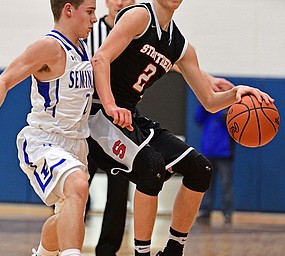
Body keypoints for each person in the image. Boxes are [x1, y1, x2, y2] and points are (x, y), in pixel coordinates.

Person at [88, 1, 274, 256]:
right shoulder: (140, 16)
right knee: (150, 167)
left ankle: (174, 249)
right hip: (98, 113)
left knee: (200, 169)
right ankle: (142, 253)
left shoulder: (180, 45)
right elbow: (100, 58)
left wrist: (236, 94)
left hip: (129, 115)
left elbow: (209, 101)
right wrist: (110, 106)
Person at [0, 1, 97, 256]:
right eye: (90, 11)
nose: (94, 19)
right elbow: (3, 81)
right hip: (45, 141)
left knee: (67, 214)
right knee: (78, 185)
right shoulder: (49, 46)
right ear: (68, 10)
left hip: (76, 144)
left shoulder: (83, 48)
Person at [85, 1, 135, 255]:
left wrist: (208, 79)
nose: (120, 2)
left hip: (119, 120)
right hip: (87, 117)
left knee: (118, 191)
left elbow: (179, 62)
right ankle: (63, 243)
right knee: (75, 186)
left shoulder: (139, 34)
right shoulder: (89, 31)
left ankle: (107, 251)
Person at [195, 104, 235, 224]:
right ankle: (206, 210)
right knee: (207, 185)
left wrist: (219, 108)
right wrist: (204, 104)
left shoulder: (229, 111)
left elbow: (228, 120)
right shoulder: (207, 110)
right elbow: (198, 119)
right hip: (208, 152)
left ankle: (227, 212)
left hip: (224, 153)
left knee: (226, 184)